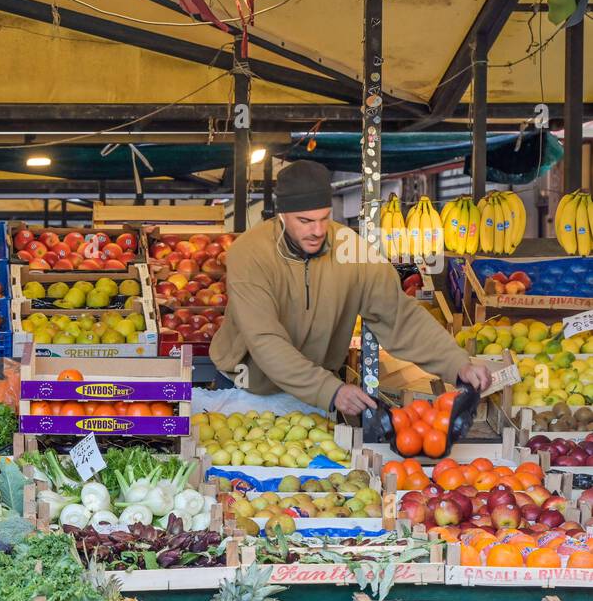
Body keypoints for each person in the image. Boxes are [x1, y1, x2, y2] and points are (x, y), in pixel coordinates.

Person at [209, 160, 491, 416]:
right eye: (305, 221)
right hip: (245, 387)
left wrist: (457, 364)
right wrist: (329, 390)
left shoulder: (351, 249)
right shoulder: (249, 253)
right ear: (282, 216)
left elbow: (398, 316)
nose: (317, 230)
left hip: (315, 393)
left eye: (324, 218)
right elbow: (264, 339)